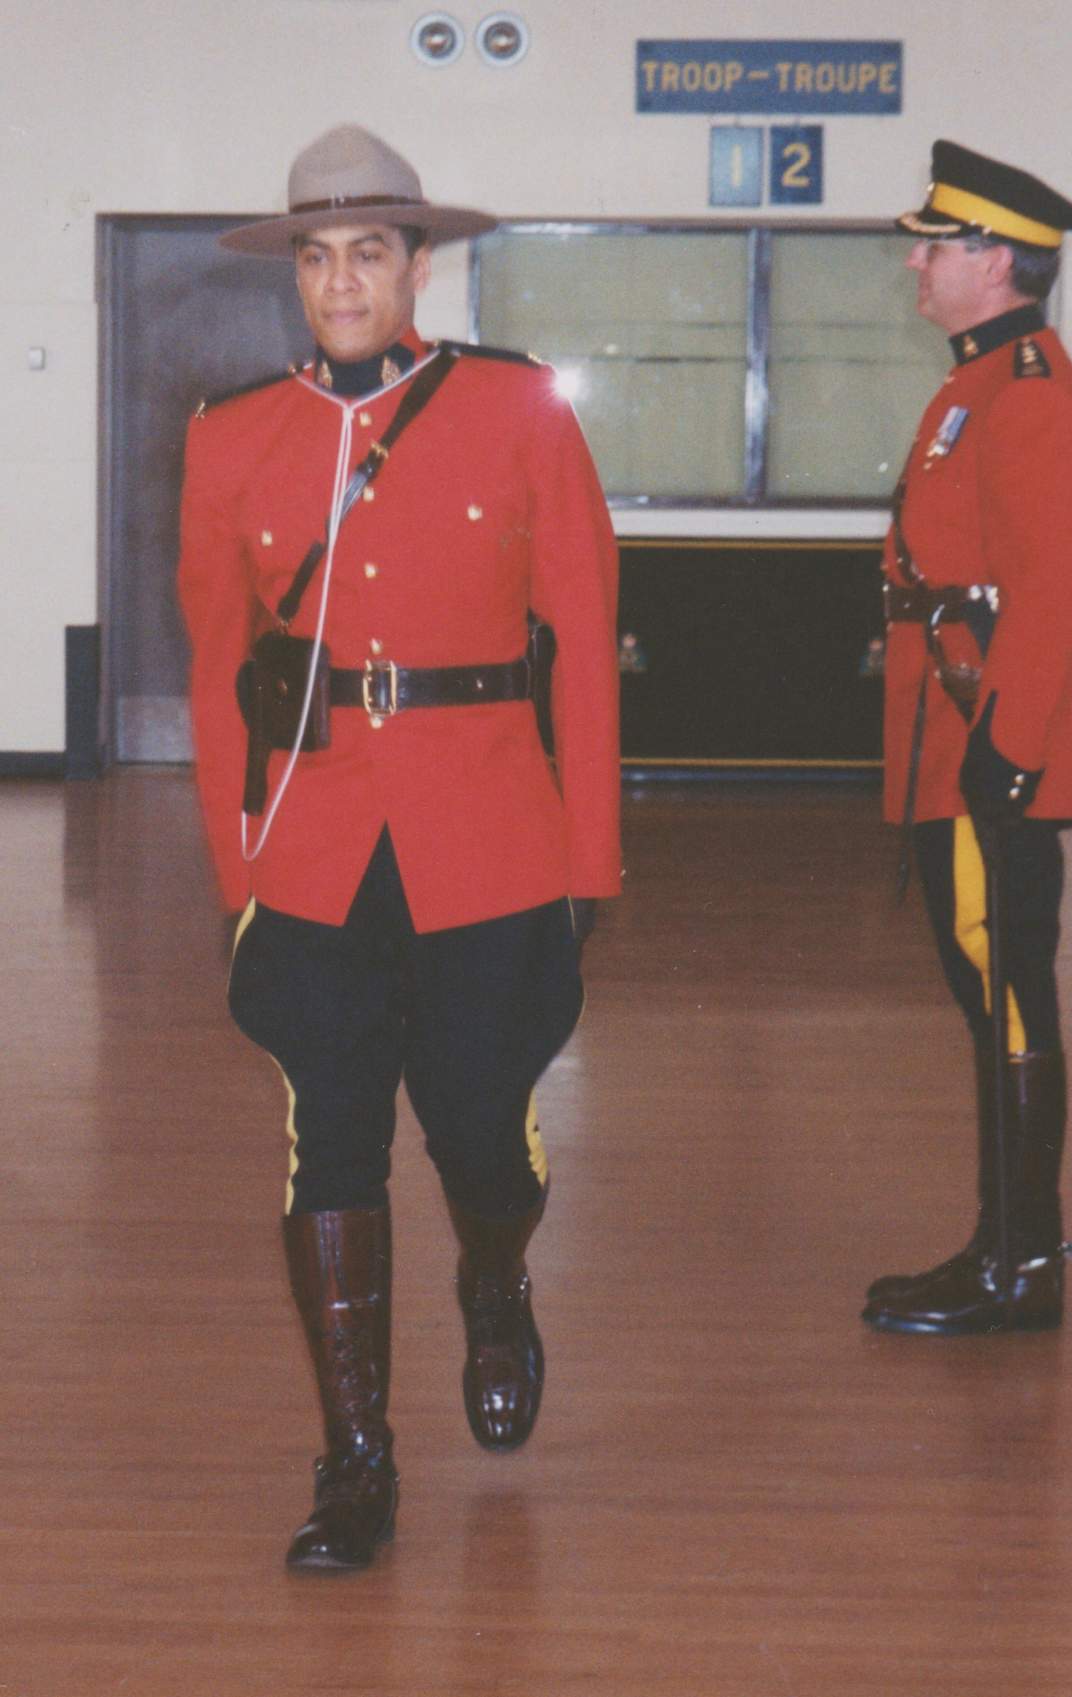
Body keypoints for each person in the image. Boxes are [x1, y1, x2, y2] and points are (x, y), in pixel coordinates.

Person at [177, 124, 621, 1570]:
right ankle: (355, 1459)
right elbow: (213, 670)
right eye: (316, 256)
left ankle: (494, 1283)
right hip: (312, 848)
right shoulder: (232, 436)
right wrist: (239, 874)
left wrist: (590, 866)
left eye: (369, 251)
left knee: (486, 1129)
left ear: (418, 266)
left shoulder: (517, 414)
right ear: (294, 276)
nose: (340, 280)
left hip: (491, 837)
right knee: (333, 1138)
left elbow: (584, 659)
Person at [862, 140, 1072, 1337]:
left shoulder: (1032, 393)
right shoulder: (975, 383)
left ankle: (1018, 1264)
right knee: (987, 996)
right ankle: (1007, 1241)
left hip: (988, 751)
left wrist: (1001, 753)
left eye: (939, 245)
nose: (921, 262)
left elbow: (1048, 591)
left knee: (1009, 997)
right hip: (951, 736)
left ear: (997, 261)